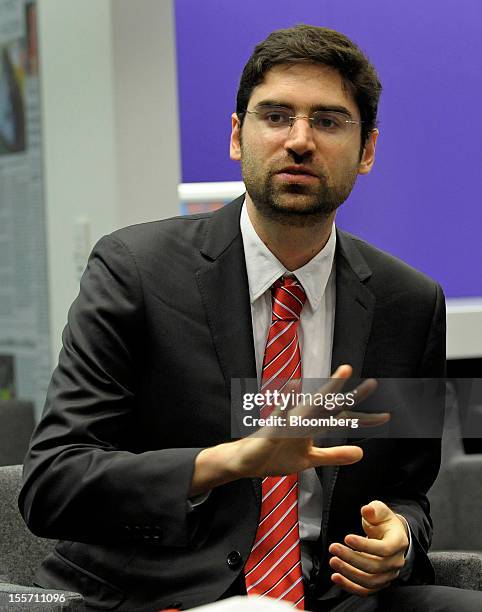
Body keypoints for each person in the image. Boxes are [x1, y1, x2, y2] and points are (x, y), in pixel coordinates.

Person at [19, 25, 481, 612]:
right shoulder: (135, 270)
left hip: (325, 597)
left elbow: (407, 493)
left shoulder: (408, 304)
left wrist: (401, 538)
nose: (300, 141)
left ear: (367, 150)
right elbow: (52, 485)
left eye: (329, 121)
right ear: (238, 136)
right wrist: (228, 461)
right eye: (276, 116)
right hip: (158, 596)